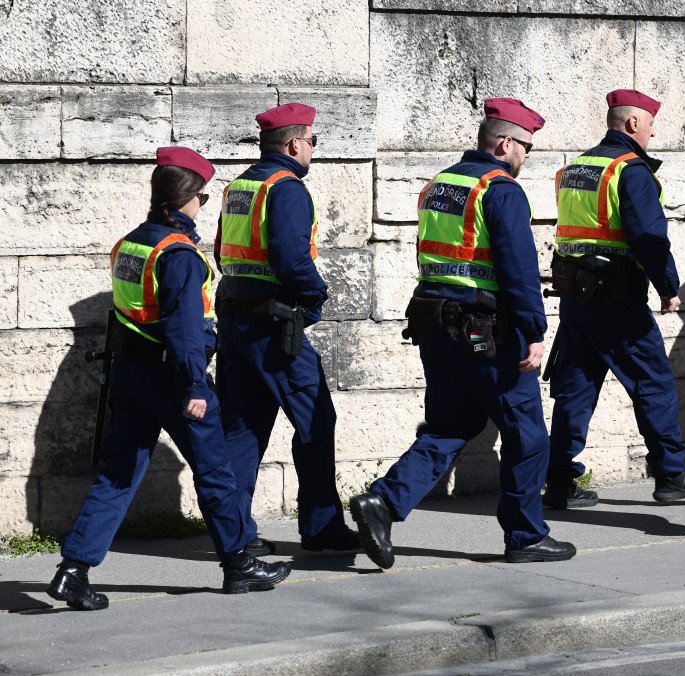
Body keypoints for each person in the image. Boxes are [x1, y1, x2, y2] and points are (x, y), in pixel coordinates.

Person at [48, 147, 290, 611]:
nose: (202, 203)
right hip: (172, 377)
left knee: (119, 475)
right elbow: (182, 331)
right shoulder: (178, 254)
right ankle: (240, 563)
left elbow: (125, 316)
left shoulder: (131, 244)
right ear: (189, 198)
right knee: (215, 470)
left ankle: (73, 570)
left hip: (130, 374)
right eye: (202, 196)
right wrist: (196, 387)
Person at [349, 98, 576, 569]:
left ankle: (384, 503)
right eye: (526, 147)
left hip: (436, 324)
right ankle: (526, 535)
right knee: (528, 433)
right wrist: (534, 330)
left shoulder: (440, 184)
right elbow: (519, 271)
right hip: (485, 329)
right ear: (504, 142)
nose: (527, 157)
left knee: (452, 425)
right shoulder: (500, 189)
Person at [542, 89, 685, 510]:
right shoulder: (630, 170)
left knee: (576, 387)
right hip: (616, 296)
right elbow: (649, 238)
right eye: (650, 124)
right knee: (653, 382)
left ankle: (559, 481)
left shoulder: (578, 167)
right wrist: (668, 287)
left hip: (578, 296)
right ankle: (670, 474)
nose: (652, 132)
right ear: (633, 124)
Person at [214, 103, 358, 555]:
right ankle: (321, 528)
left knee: (242, 428)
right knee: (316, 419)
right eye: (313, 142)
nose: (313, 150)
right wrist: (316, 296)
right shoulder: (288, 187)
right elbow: (291, 257)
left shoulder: (240, 187)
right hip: (275, 324)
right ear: (295, 144)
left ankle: (234, 535)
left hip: (237, 318)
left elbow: (223, 253)